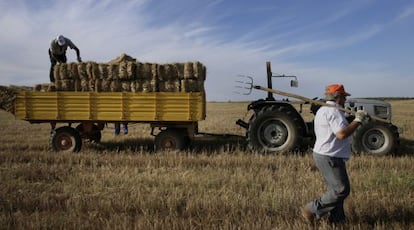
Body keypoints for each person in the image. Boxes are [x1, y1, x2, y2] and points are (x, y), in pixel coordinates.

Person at [302, 84, 368, 224]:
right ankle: (311, 209)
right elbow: (342, 134)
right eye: (344, 96)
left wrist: (352, 120)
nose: (345, 99)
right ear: (338, 97)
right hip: (330, 156)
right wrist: (358, 120)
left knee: (334, 189)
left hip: (325, 154)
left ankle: (337, 220)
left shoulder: (324, 109)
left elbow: (339, 128)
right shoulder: (333, 112)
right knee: (341, 190)